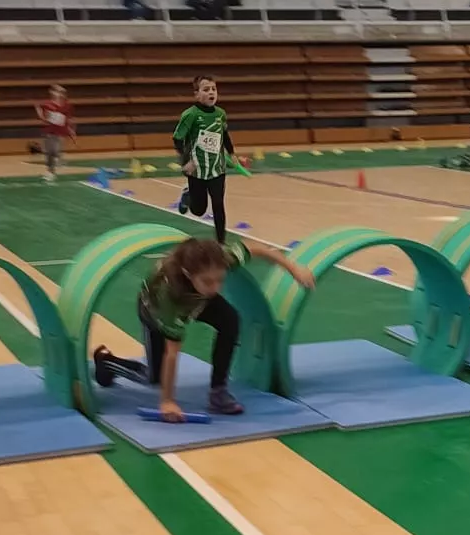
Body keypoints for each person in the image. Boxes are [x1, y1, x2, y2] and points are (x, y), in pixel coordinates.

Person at [93, 235, 314, 421]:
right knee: (155, 377)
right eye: (208, 281)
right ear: (189, 274)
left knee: (230, 319)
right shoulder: (171, 295)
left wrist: (294, 269)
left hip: (199, 299)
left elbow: (259, 249)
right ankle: (107, 363)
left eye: (220, 279)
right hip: (153, 309)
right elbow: (173, 353)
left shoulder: (220, 261)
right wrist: (168, 401)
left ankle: (218, 391)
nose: (216, 287)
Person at [172, 74, 241, 241]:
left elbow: (224, 135)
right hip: (197, 170)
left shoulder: (220, 114)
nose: (211, 93)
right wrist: (186, 161)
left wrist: (232, 154)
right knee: (199, 210)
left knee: (218, 205)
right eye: (206, 89)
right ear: (196, 94)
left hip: (217, 168)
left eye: (214, 89)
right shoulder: (190, 115)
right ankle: (188, 194)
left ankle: (221, 243)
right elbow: (177, 138)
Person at [34, 83, 75, 179]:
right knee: (49, 152)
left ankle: (58, 160)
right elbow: (44, 118)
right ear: (52, 93)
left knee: (56, 150)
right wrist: (39, 111)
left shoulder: (67, 106)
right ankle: (50, 172)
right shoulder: (47, 105)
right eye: (57, 91)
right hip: (49, 130)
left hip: (60, 131)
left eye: (61, 92)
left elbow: (69, 119)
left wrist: (71, 130)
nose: (59, 94)